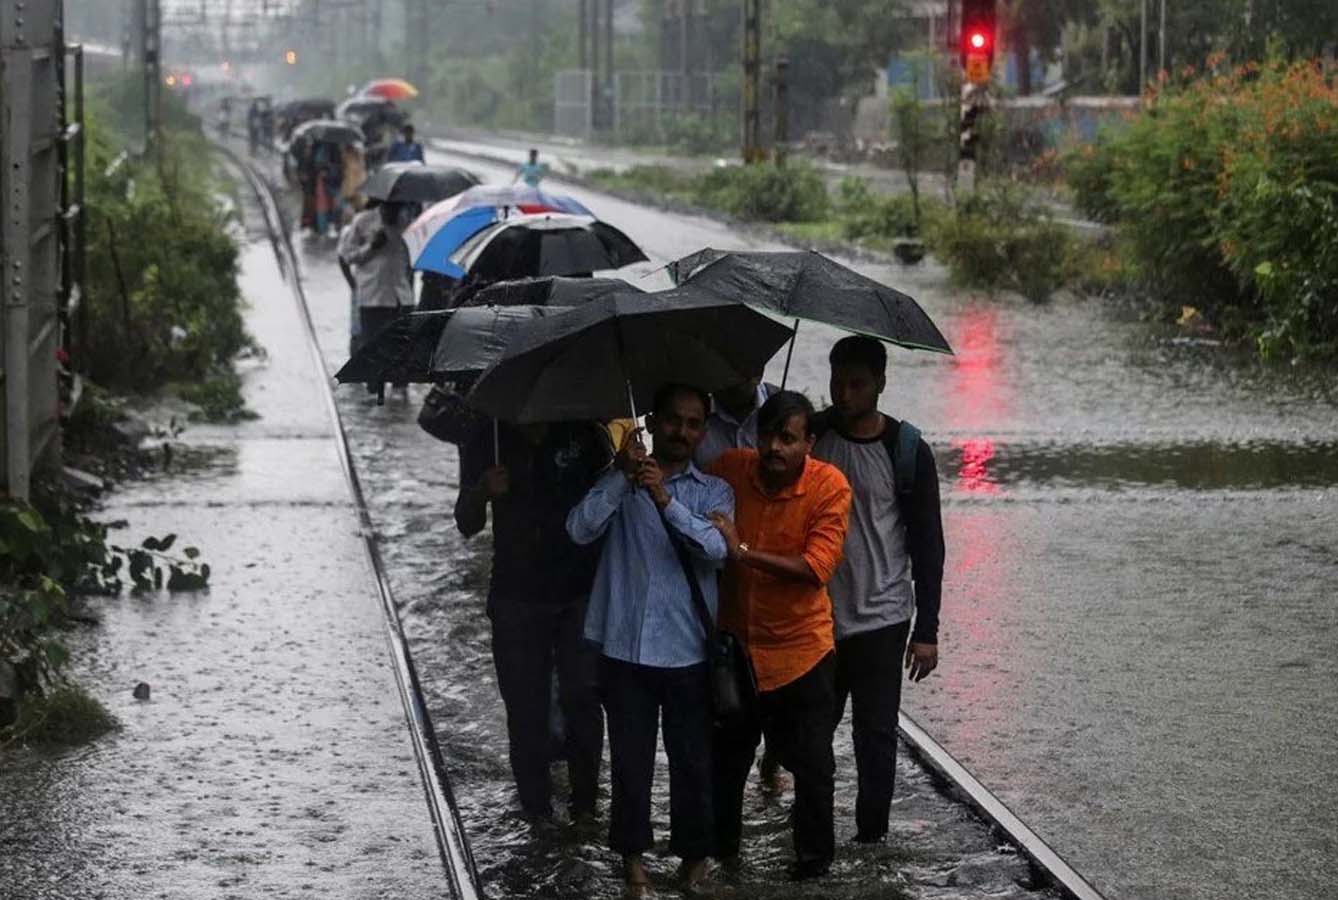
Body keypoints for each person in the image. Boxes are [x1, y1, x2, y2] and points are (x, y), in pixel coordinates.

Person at [567, 384, 734, 898]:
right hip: (625, 649)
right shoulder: (618, 481)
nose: (681, 433)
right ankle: (633, 865)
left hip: (687, 651)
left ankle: (694, 861)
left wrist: (666, 499)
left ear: (702, 431)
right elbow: (578, 529)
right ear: (654, 422)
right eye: (672, 421)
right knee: (630, 764)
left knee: (692, 763)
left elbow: (717, 550)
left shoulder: (713, 492)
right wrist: (623, 478)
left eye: (692, 424)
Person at [706, 391, 852, 881]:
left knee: (813, 768)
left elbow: (817, 567)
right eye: (768, 436)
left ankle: (813, 868)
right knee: (726, 763)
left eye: (787, 439)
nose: (775, 448)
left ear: (809, 443)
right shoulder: (729, 467)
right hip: (737, 648)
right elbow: (686, 493)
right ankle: (721, 856)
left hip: (801, 653)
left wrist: (742, 552)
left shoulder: (829, 486)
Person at [811, 335, 944, 844]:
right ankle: (814, 839)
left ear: (881, 385)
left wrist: (927, 630)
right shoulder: (812, 436)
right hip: (816, 615)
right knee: (811, 735)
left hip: (883, 617)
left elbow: (928, 546)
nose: (844, 394)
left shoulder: (907, 451)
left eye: (856, 384)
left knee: (876, 737)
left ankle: (872, 840)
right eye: (837, 382)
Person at [454, 419, 611, 823]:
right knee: (525, 708)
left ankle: (586, 807)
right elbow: (466, 523)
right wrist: (482, 491)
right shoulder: (486, 433)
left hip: (579, 593)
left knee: (583, 697)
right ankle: (536, 811)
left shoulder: (585, 432)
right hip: (516, 596)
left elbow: (607, 508)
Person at [336, 201, 413, 394]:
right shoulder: (363, 221)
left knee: (402, 347)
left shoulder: (407, 222)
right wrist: (371, 246)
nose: (393, 213)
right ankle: (374, 391)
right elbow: (347, 255)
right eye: (390, 208)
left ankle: (399, 392)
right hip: (373, 296)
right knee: (373, 346)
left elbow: (411, 258)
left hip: (401, 296)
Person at [693, 373, 776, 471]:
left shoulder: (785, 410)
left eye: (732, 376)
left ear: (758, 375)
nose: (723, 383)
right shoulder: (696, 414)